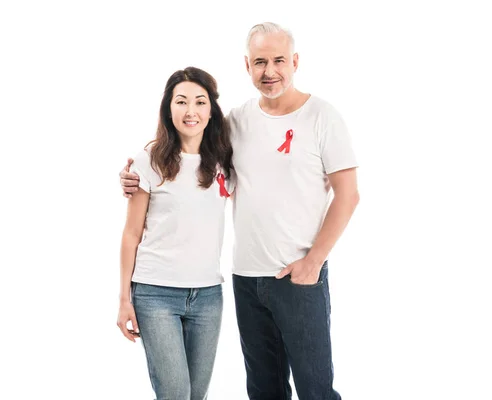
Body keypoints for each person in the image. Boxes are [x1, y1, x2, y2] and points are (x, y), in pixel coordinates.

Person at [120, 22, 359, 400]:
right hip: (246, 279)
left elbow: (348, 196)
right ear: (247, 66)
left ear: (295, 61)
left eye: (279, 60)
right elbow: (189, 152)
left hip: (299, 276)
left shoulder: (322, 117)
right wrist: (135, 175)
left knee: (315, 390)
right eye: (260, 62)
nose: (270, 71)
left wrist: (314, 261)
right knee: (263, 390)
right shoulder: (235, 123)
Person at [117, 66, 233, 400]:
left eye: (200, 102)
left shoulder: (225, 161)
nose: (191, 111)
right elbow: (130, 235)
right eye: (181, 101)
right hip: (155, 295)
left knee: (197, 395)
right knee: (175, 393)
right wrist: (124, 299)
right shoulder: (149, 162)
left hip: (208, 296)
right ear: (169, 108)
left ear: (211, 111)